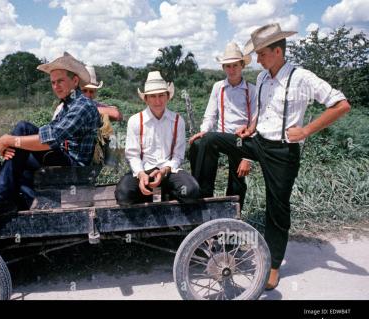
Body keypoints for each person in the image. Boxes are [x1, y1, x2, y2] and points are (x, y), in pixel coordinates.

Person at [198, 23, 350, 290]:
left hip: (282, 152)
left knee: (276, 209)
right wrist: (250, 127)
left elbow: (341, 104)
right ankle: (203, 201)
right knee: (208, 139)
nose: (257, 59)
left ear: (278, 51)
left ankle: (273, 265)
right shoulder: (263, 78)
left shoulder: (301, 77)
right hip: (257, 142)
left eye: (261, 53)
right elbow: (263, 110)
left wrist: (306, 130)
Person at [0, 52, 102, 217]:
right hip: (64, 158)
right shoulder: (68, 104)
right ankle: (16, 200)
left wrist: (10, 140)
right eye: (53, 82)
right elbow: (48, 132)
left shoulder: (81, 105)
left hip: (75, 168)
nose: (56, 86)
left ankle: (2, 198)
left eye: (61, 81)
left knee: (23, 129)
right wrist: (13, 144)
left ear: (75, 80)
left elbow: (52, 138)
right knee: (16, 155)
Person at [115, 71, 200, 205]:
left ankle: (169, 198)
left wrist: (165, 170)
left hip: (168, 171)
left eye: (161, 95)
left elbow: (178, 156)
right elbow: (132, 155)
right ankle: (147, 201)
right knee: (124, 194)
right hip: (144, 170)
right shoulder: (135, 121)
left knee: (190, 191)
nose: (158, 101)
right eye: (153, 96)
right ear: (146, 99)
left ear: (168, 97)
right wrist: (141, 174)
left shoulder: (178, 120)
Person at [188, 42, 256, 209]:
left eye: (235, 65)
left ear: (242, 66)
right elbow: (210, 114)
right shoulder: (218, 87)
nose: (231, 70)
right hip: (219, 138)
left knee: (237, 182)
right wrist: (203, 131)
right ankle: (202, 197)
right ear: (223, 68)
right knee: (198, 144)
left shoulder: (252, 90)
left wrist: (248, 157)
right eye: (227, 66)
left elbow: (256, 121)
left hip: (241, 140)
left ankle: (233, 214)